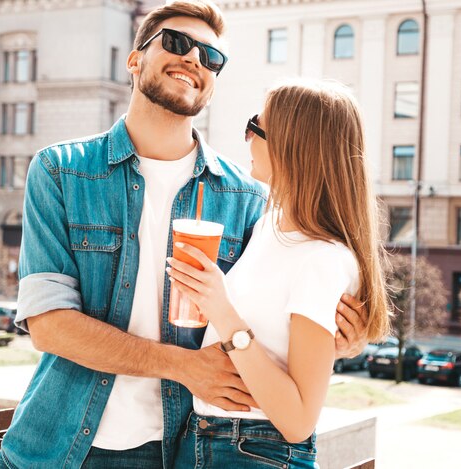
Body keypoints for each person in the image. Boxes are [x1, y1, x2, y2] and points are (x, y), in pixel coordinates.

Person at [0, 2, 369, 468]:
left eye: (211, 58)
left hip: (176, 450)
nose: (194, 59)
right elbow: (48, 325)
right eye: (176, 43)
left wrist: (342, 335)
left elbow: (279, 307)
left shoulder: (248, 197)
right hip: (53, 445)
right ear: (134, 60)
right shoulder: (61, 170)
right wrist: (183, 366)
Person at [167, 79, 391, 468]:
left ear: (292, 148)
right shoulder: (270, 225)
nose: (247, 136)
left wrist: (222, 311)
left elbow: (298, 421)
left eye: (256, 126)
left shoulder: (323, 257)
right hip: (207, 438)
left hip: (255, 450)